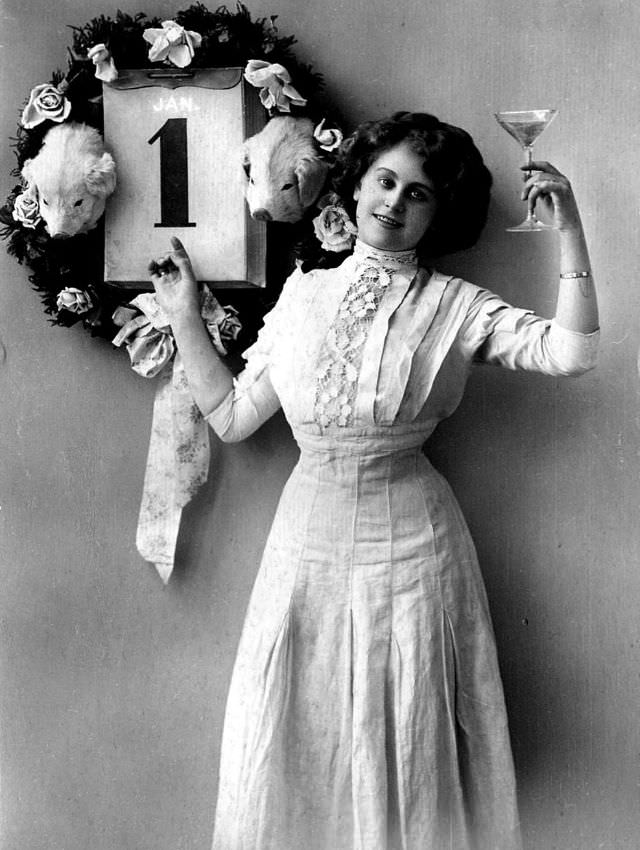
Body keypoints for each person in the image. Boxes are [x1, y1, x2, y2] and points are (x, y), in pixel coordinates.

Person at [149, 111, 599, 850]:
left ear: (440, 212)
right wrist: (183, 316)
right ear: (356, 185)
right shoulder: (303, 295)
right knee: (297, 732)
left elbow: (573, 352)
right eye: (385, 180)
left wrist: (571, 231)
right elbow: (231, 417)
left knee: (409, 737)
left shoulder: (455, 306)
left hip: (413, 551)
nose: (394, 201)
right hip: (306, 546)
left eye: (419, 193)